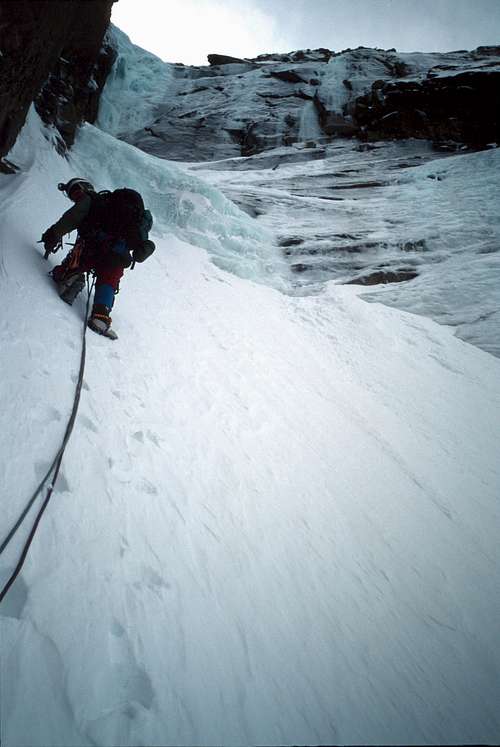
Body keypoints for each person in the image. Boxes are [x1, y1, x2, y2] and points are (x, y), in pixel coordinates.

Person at [41, 177, 154, 337]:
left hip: (92, 246)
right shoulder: (128, 214)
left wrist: (52, 235)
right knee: (110, 279)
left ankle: (69, 275)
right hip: (118, 256)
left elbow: (70, 220)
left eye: (73, 192)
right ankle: (100, 315)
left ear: (82, 188)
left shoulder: (92, 201)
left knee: (79, 259)